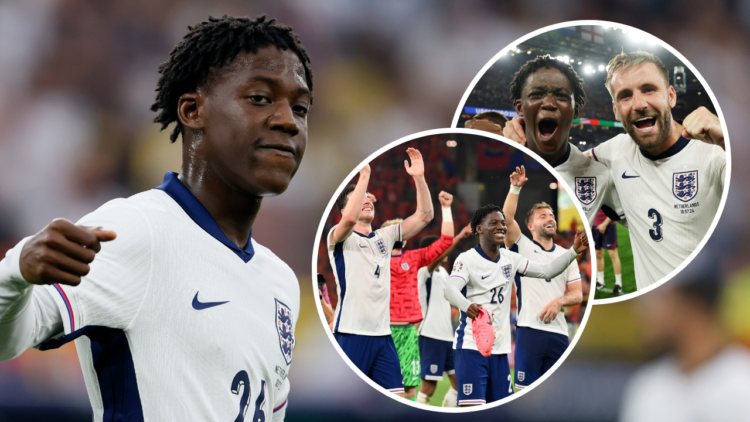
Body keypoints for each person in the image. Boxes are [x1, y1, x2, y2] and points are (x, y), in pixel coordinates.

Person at [0, 15, 312, 420]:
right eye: (259, 98)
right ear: (192, 110)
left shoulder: (281, 282)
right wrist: (15, 273)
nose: (288, 121)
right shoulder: (136, 231)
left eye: (301, 107)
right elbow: (9, 340)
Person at [589, 51, 726, 288]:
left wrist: (728, 140)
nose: (639, 104)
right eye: (625, 96)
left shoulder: (715, 153)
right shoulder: (614, 152)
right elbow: (560, 163)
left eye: (649, 89)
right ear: (615, 111)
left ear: (671, 97)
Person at [443, 204, 588, 405]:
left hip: (501, 352)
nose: (501, 227)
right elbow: (450, 290)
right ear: (478, 229)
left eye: (503, 223)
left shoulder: (511, 259)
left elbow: (546, 271)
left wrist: (573, 252)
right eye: (493, 223)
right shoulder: (467, 259)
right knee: (473, 410)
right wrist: (467, 306)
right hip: (471, 347)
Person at [327, 149, 433, 396]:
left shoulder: (385, 236)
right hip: (351, 334)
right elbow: (351, 218)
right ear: (343, 211)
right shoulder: (339, 237)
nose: (367, 201)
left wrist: (419, 177)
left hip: (383, 337)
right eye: (359, 198)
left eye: (368, 198)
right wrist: (364, 176)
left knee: (395, 399)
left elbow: (425, 216)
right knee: (349, 403)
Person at [502, 55, 625, 226]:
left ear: (575, 111)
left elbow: (647, 229)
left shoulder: (599, 175)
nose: (550, 103)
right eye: (536, 94)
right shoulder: (497, 154)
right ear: (520, 107)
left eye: (561, 96)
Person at [620, 261, 750, 422]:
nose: (645, 310)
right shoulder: (646, 387)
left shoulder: (743, 382)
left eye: (658, 296)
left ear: (691, 303)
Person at [502, 166, 582, 390]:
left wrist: (559, 302)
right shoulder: (522, 246)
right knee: (526, 396)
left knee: (557, 395)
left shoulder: (568, 255)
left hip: (559, 333)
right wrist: (514, 188)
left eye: (552, 215)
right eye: (543, 216)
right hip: (529, 331)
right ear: (530, 226)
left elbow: (577, 294)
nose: (550, 218)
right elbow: (506, 219)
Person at [382, 191, 456, 401]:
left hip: (407, 332)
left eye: (403, 231)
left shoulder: (414, 258)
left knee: (409, 391)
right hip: (380, 330)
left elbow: (445, 242)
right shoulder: (373, 259)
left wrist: (446, 209)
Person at [415, 224, 473, 407]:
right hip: (431, 335)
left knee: (459, 383)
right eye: (439, 248)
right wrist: (460, 236)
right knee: (429, 387)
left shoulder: (444, 272)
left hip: (447, 337)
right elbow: (439, 255)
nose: (443, 252)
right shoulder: (423, 272)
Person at [592, 210, 623, 295]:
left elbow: (614, 208)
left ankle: (618, 284)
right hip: (594, 225)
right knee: (598, 254)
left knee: (612, 254)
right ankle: (600, 282)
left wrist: (604, 224)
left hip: (609, 224)